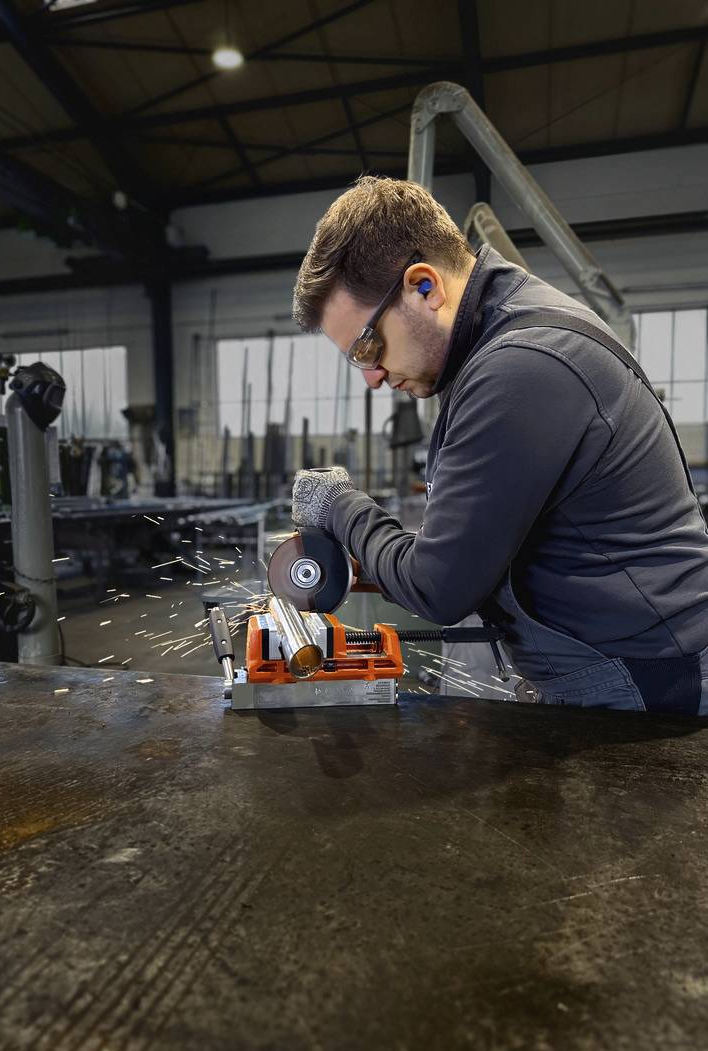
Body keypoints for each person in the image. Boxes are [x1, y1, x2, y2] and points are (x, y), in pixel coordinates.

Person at [290, 176, 708, 714]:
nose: (371, 377)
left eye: (367, 347)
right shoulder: (501, 337)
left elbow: (437, 590)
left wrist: (342, 507)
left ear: (424, 286)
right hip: (628, 661)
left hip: (646, 681)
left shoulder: (520, 367)